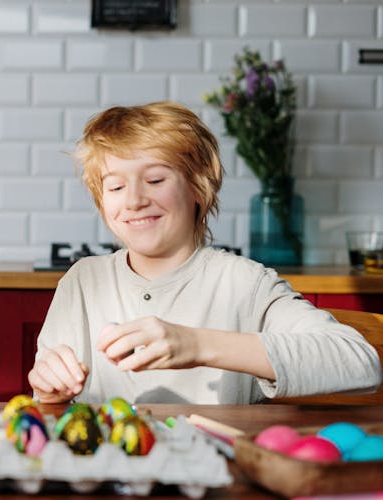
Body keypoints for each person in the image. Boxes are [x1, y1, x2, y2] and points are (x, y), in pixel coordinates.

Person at [28, 101, 381, 405]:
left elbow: (360, 363)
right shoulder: (83, 281)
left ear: (198, 186)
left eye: (155, 180)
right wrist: (49, 389)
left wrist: (196, 344)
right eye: (116, 186)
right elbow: (46, 396)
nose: (134, 200)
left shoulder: (245, 283)